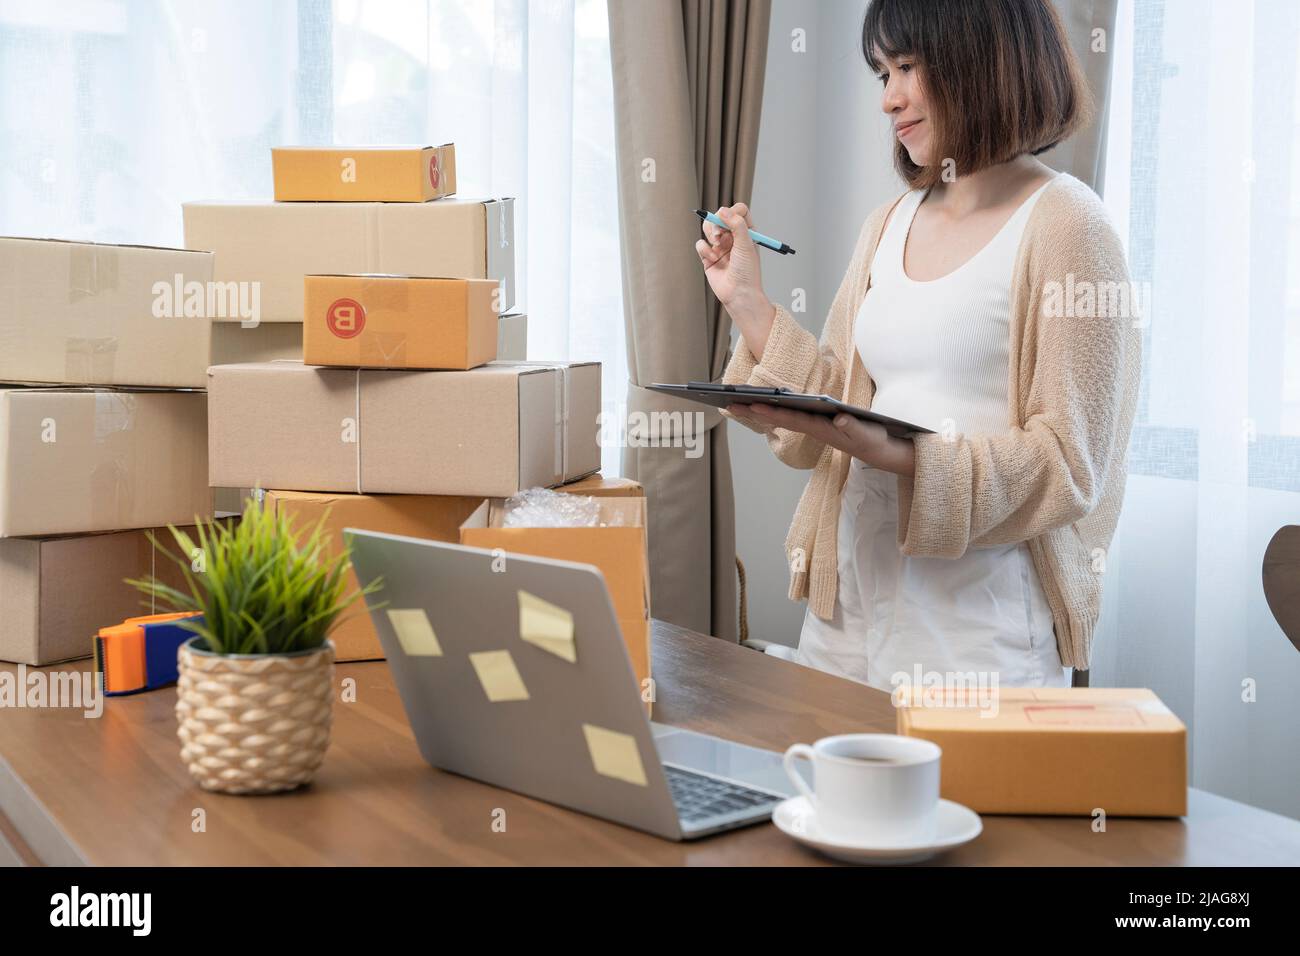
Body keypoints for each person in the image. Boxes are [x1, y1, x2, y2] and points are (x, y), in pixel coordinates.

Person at [697, 0, 1141, 692]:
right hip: (847, 597)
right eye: (882, 73)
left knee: (959, 802)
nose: (889, 99)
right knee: (822, 793)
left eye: (907, 67)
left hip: (979, 623)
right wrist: (748, 304)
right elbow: (836, 404)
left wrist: (907, 458)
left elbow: (1070, 463)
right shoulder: (889, 222)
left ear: (984, 57)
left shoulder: (1069, 226)